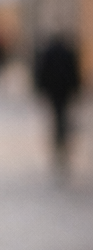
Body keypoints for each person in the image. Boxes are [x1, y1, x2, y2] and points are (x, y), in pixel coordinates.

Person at [33, 33, 82, 169]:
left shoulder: (48, 53)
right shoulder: (68, 53)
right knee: (62, 115)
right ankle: (61, 138)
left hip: (54, 91)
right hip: (64, 91)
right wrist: (76, 89)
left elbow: (42, 72)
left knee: (58, 115)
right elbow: (74, 72)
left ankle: (59, 139)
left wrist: (40, 88)